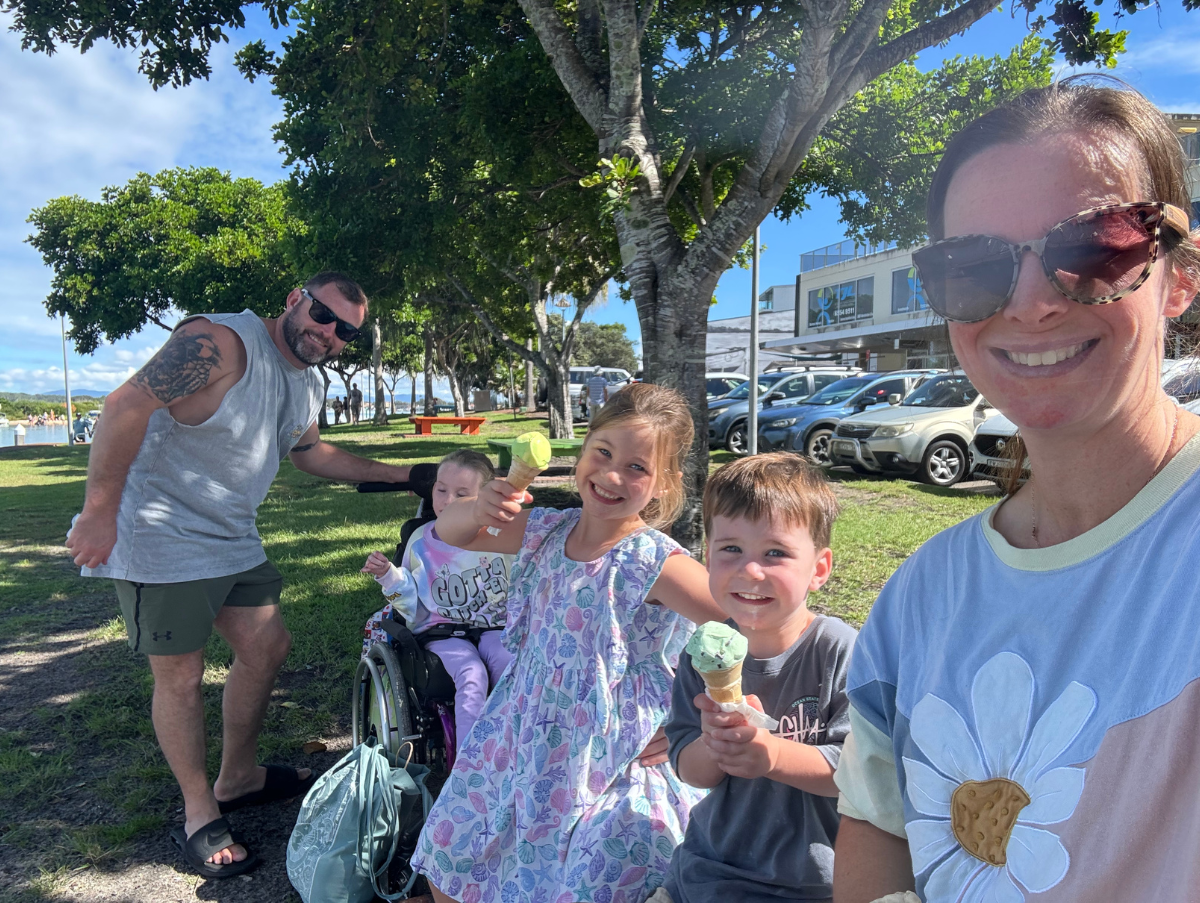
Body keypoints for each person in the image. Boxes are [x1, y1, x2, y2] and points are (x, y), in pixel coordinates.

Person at [832, 79, 1200, 903]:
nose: (1030, 304)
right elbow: (876, 831)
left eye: (1099, 247)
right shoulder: (920, 598)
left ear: (1176, 276)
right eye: (973, 266)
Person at [65, 272, 418, 879]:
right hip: (161, 535)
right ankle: (200, 812)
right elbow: (125, 404)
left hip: (230, 536)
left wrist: (404, 473)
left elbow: (310, 453)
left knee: (267, 645)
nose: (329, 334)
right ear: (294, 300)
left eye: (345, 332)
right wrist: (98, 513)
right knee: (180, 675)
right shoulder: (221, 342)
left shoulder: (307, 381)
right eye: (322, 315)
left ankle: (239, 778)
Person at [410, 383, 728, 903]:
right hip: (518, 732)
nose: (610, 475)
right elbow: (447, 532)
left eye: (637, 468)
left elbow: (740, 629)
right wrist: (479, 507)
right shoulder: (542, 531)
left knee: (582, 873)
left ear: (664, 484)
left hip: (605, 751)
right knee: (453, 855)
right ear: (581, 452)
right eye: (602, 453)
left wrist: (690, 719)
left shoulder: (655, 562)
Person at [657, 453, 856, 903]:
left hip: (812, 882)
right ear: (706, 555)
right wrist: (714, 744)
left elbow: (859, 770)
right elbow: (689, 770)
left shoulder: (838, 651)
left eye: (775, 553)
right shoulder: (701, 653)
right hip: (710, 869)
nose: (750, 570)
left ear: (819, 569)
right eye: (731, 549)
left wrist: (771, 754)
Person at [361, 449, 515, 741]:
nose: (447, 501)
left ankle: (512, 748)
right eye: (441, 490)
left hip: (494, 626)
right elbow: (409, 594)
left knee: (512, 666)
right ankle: (471, 767)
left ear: (485, 496)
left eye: (461, 494)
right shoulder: (421, 541)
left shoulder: (500, 536)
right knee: (472, 674)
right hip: (441, 632)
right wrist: (387, 575)